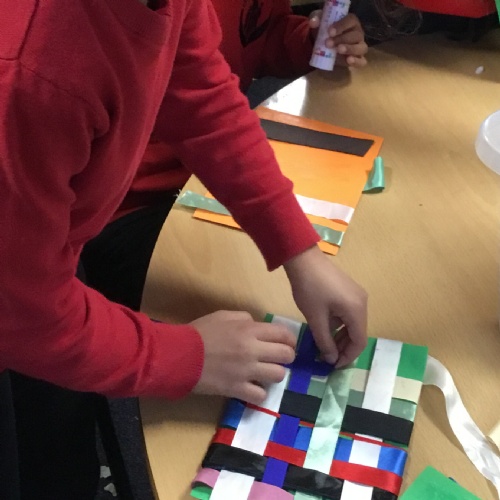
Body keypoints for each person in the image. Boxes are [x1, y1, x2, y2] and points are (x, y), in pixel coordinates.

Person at [0, 0, 367, 498]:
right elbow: (24, 317)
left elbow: (201, 96)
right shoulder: (26, 77)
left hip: (37, 262)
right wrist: (186, 357)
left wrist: (300, 251)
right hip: (23, 302)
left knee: (60, 429)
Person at [81, 0, 368, 312]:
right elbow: (45, 310)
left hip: (204, 183)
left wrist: (301, 253)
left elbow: (217, 89)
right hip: (125, 208)